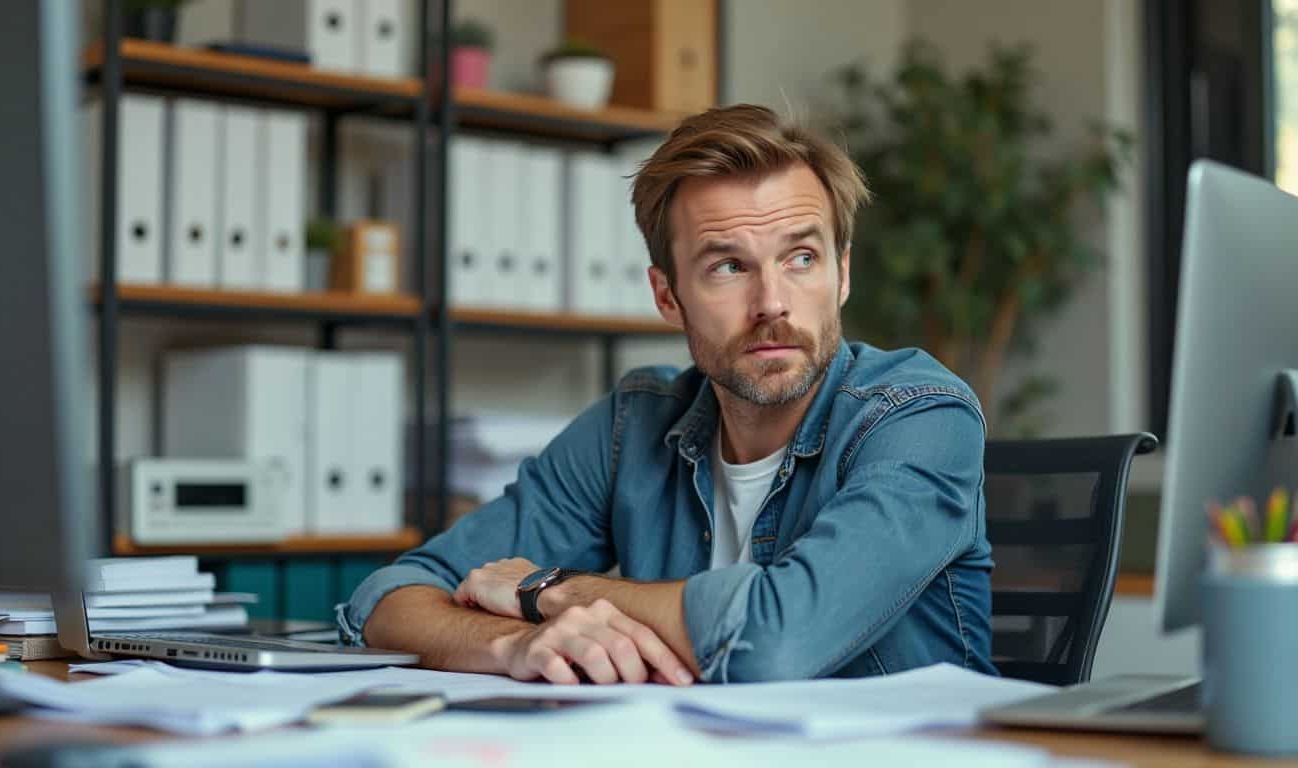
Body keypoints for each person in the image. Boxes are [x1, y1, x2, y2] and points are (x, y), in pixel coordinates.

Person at [337, 104, 996, 685]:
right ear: (666, 295)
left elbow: (776, 641)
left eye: (802, 259)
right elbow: (389, 598)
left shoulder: (920, 416)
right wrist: (514, 644)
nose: (773, 303)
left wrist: (557, 592)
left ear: (842, 273)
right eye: (728, 267)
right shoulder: (636, 426)